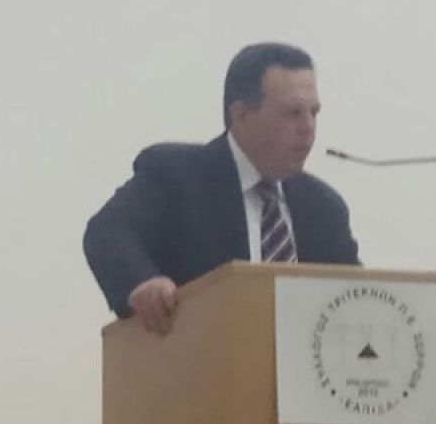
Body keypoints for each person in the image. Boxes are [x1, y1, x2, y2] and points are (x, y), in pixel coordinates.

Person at [83, 43, 360, 334]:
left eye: (314, 113)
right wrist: (142, 283)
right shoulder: (176, 175)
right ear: (241, 115)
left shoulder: (324, 208)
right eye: (293, 113)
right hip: (195, 355)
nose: (308, 127)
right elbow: (108, 232)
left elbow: (357, 300)